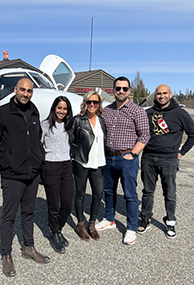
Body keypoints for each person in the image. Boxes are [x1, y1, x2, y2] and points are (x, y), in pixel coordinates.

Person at [0, 78, 50, 277]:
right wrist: (6, 162)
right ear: (15, 90)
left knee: (29, 213)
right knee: (9, 216)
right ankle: (6, 254)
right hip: (13, 174)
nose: (25, 94)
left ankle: (28, 247)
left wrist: (39, 158)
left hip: (32, 173)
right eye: (22, 90)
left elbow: (37, 137)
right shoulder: (1, 113)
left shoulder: (34, 111)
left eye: (29, 91)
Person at [137, 84, 194, 238]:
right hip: (148, 158)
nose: (162, 96)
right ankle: (145, 218)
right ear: (155, 96)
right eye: (159, 93)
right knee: (147, 192)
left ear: (170, 95)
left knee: (169, 193)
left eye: (165, 93)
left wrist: (181, 152)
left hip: (169, 159)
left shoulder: (180, 113)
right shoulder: (148, 113)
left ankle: (170, 221)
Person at [95, 76, 150, 245]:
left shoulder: (137, 111)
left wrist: (133, 154)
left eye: (124, 89)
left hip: (127, 158)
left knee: (130, 194)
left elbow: (145, 135)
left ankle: (131, 228)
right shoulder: (106, 109)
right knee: (109, 191)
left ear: (129, 91)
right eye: (118, 88)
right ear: (113, 90)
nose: (121, 91)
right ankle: (109, 219)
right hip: (109, 157)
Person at [71, 91, 106, 242]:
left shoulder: (102, 121)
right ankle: (80, 224)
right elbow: (70, 139)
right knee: (80, 193)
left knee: (98, 194)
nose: (92, 104)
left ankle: (92, 223)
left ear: (99, 105)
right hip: (82, 162)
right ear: (85, 103)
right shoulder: (78, 120)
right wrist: (74, 154)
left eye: (95, 102)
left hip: (98, 163)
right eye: (89, 102)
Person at [41, 96, 74, 254]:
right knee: (54, 204)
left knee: (67, 204)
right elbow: (38, 145)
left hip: (66, 165)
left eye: (65, 109)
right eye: (59, 108)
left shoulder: (69, 125)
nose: (61, 111)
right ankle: (54, 233)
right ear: (54, 108)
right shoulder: (45, 125)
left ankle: (58, 228)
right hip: (51, 166)